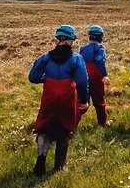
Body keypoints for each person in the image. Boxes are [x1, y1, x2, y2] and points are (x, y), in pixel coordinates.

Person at [28, 25, 89, 176]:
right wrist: (84, 101)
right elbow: (82, 82)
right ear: (68, 41)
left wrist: (46, 79)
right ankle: (58, 168)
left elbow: (33, 77)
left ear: (57, 40)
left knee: (44, 127)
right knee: (64, 130)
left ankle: (42, 156)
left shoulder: (46, 57)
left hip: (49, 99)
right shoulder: (76, 59)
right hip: (67, 101)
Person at [79, 25, 110, 126]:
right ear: (101, 37)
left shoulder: (83, 49)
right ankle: (102, 123)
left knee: (82, 101)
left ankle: (72, 122)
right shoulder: (100, 48)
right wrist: (104, 75)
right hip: (96, 78)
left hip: (83, 77)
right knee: (99, 101)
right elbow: (99, 60)